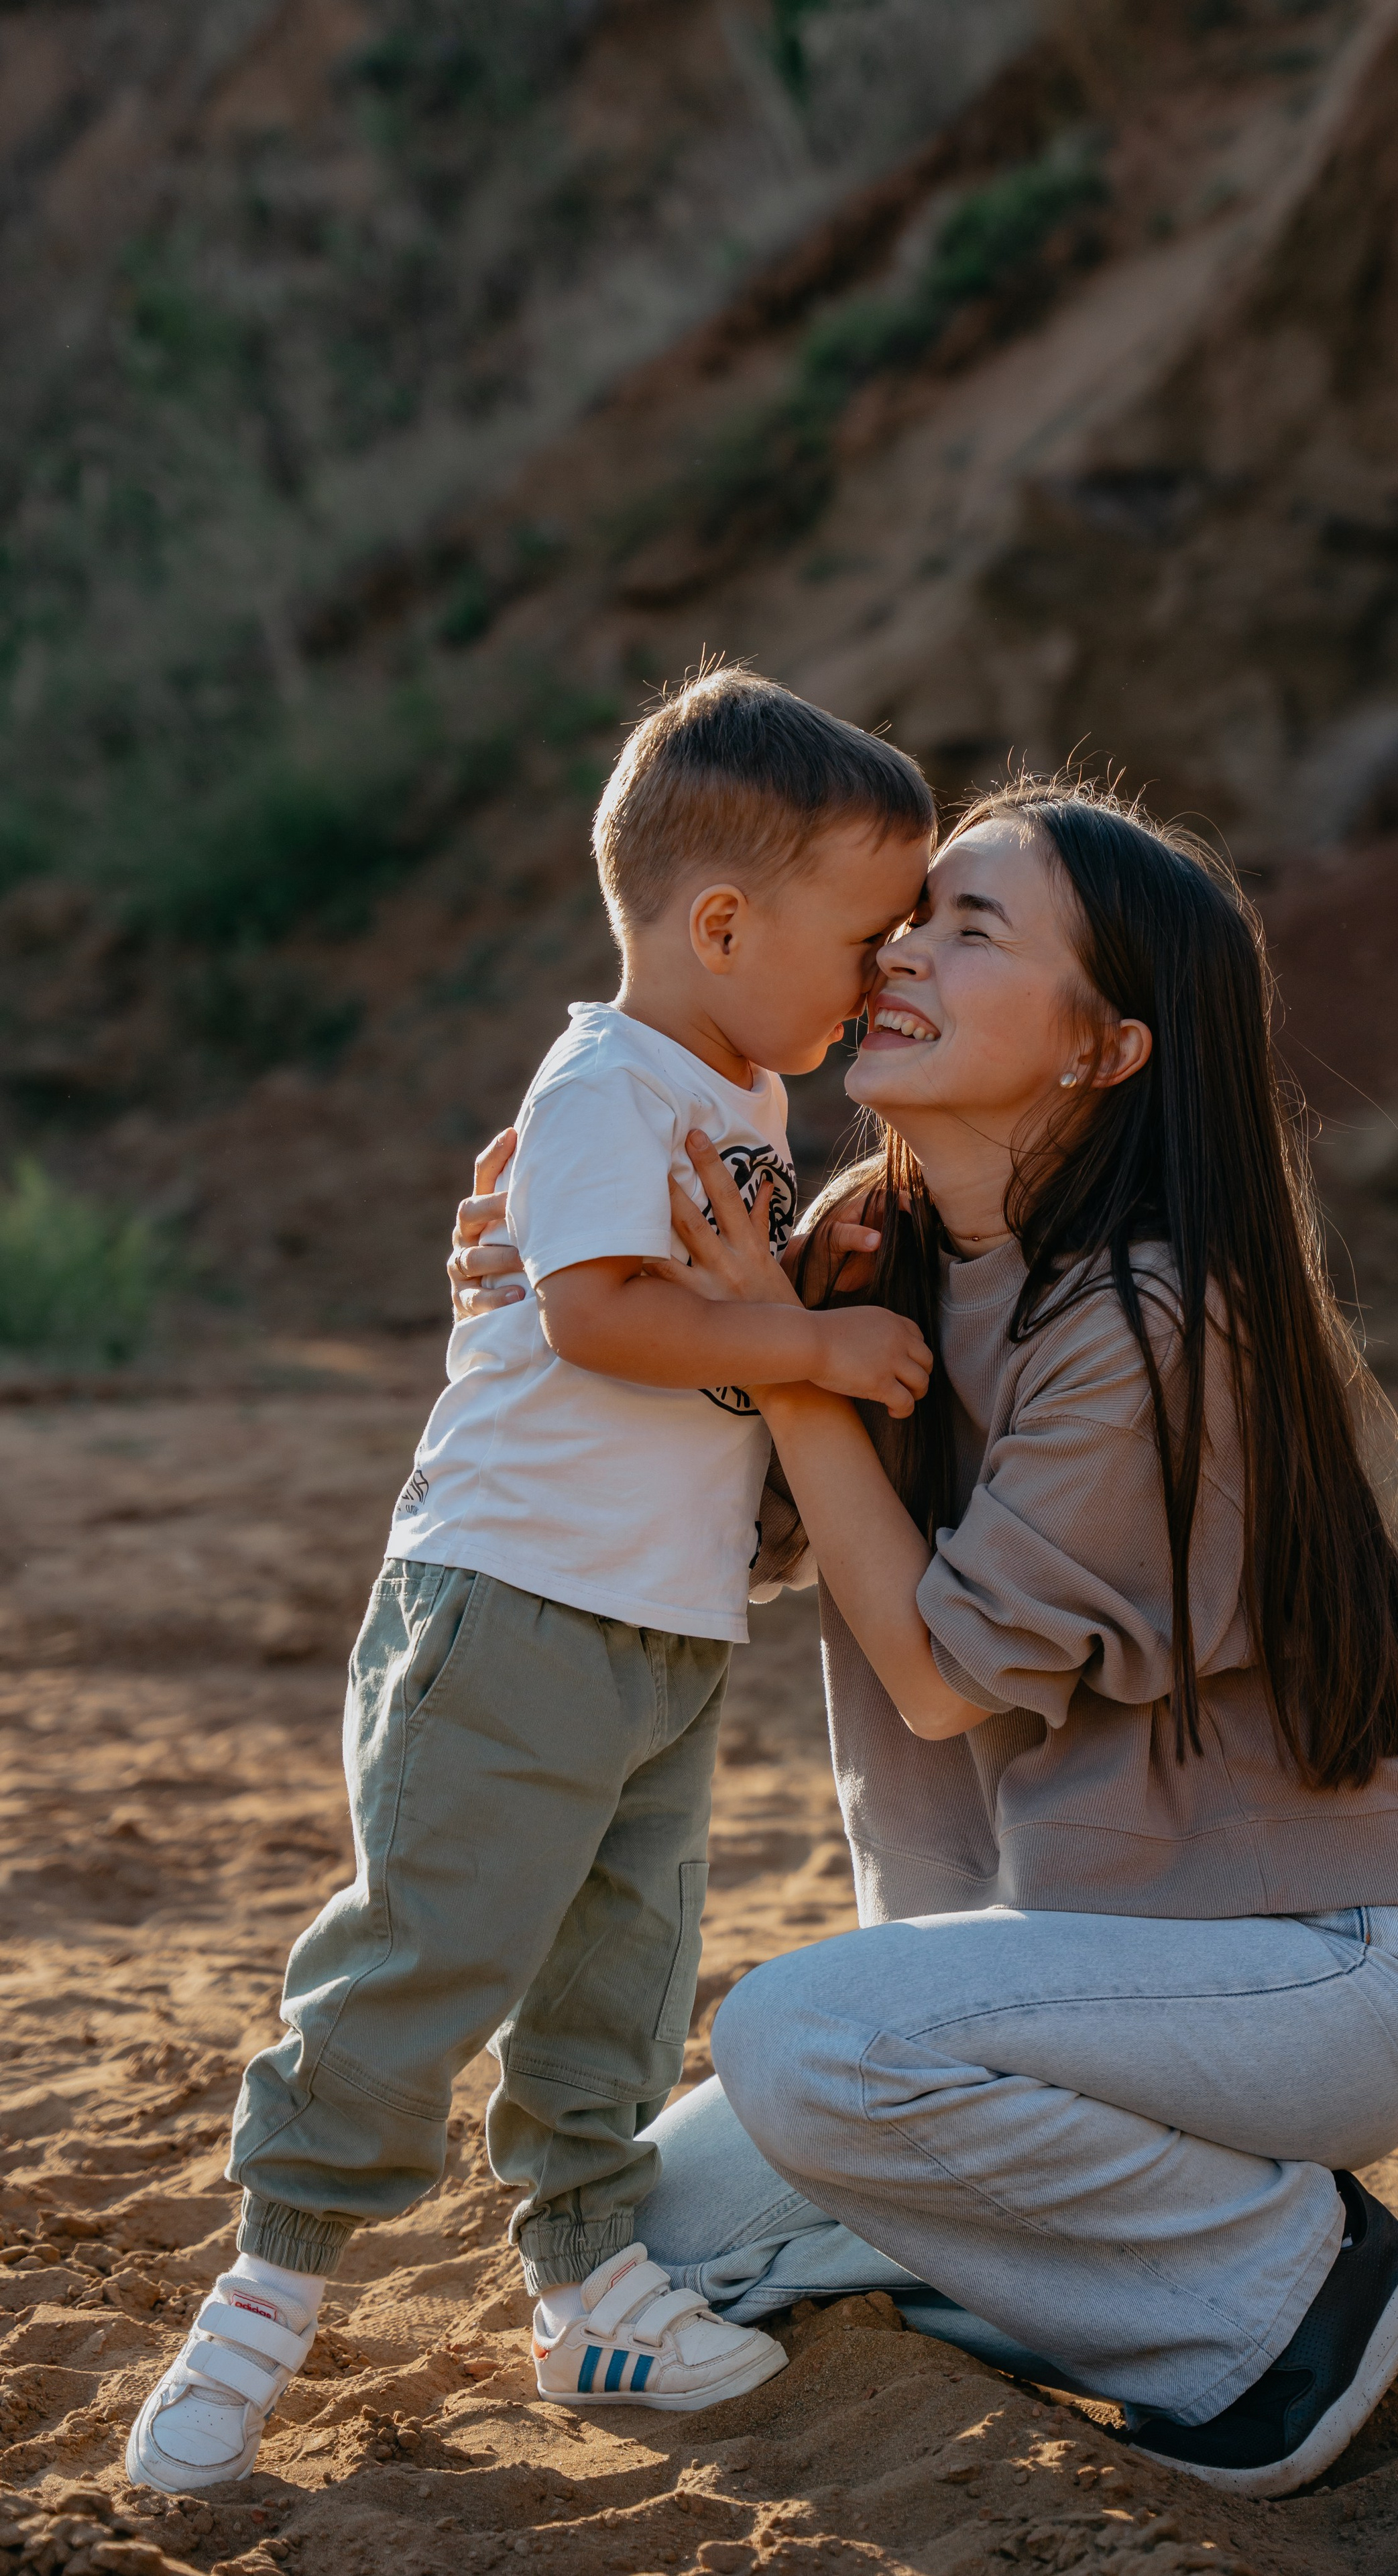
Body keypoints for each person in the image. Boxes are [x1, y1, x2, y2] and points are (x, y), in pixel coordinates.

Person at [451, 779, 1398, 2502]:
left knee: (799, 2040)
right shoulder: (878, 1248)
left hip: (1302, 1966)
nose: (902, 947)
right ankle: (1072, 2263)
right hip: (1050, 1967)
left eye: (971, 926)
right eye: (910, 915)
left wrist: (779, 1350)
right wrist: (572, 1270)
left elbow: (932, 1666)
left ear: (1104, 1048)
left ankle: (1281, 2292)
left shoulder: (1156, 1320)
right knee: (651, 2241)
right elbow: (743, 1520)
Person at [124, 669, 936, 2496]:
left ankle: (588, 2281)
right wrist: (805, 1349)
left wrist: (787, 1316)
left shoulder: (739, 1087)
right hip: (513, 1604)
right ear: (722, 922)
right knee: (427, 1952)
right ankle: (267, 2293)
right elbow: (591, 1314)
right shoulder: (605, 1078)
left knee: (623, 1970)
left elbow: (697, 1314)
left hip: (658, 1625)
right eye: (866, 935)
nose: (882, 976)